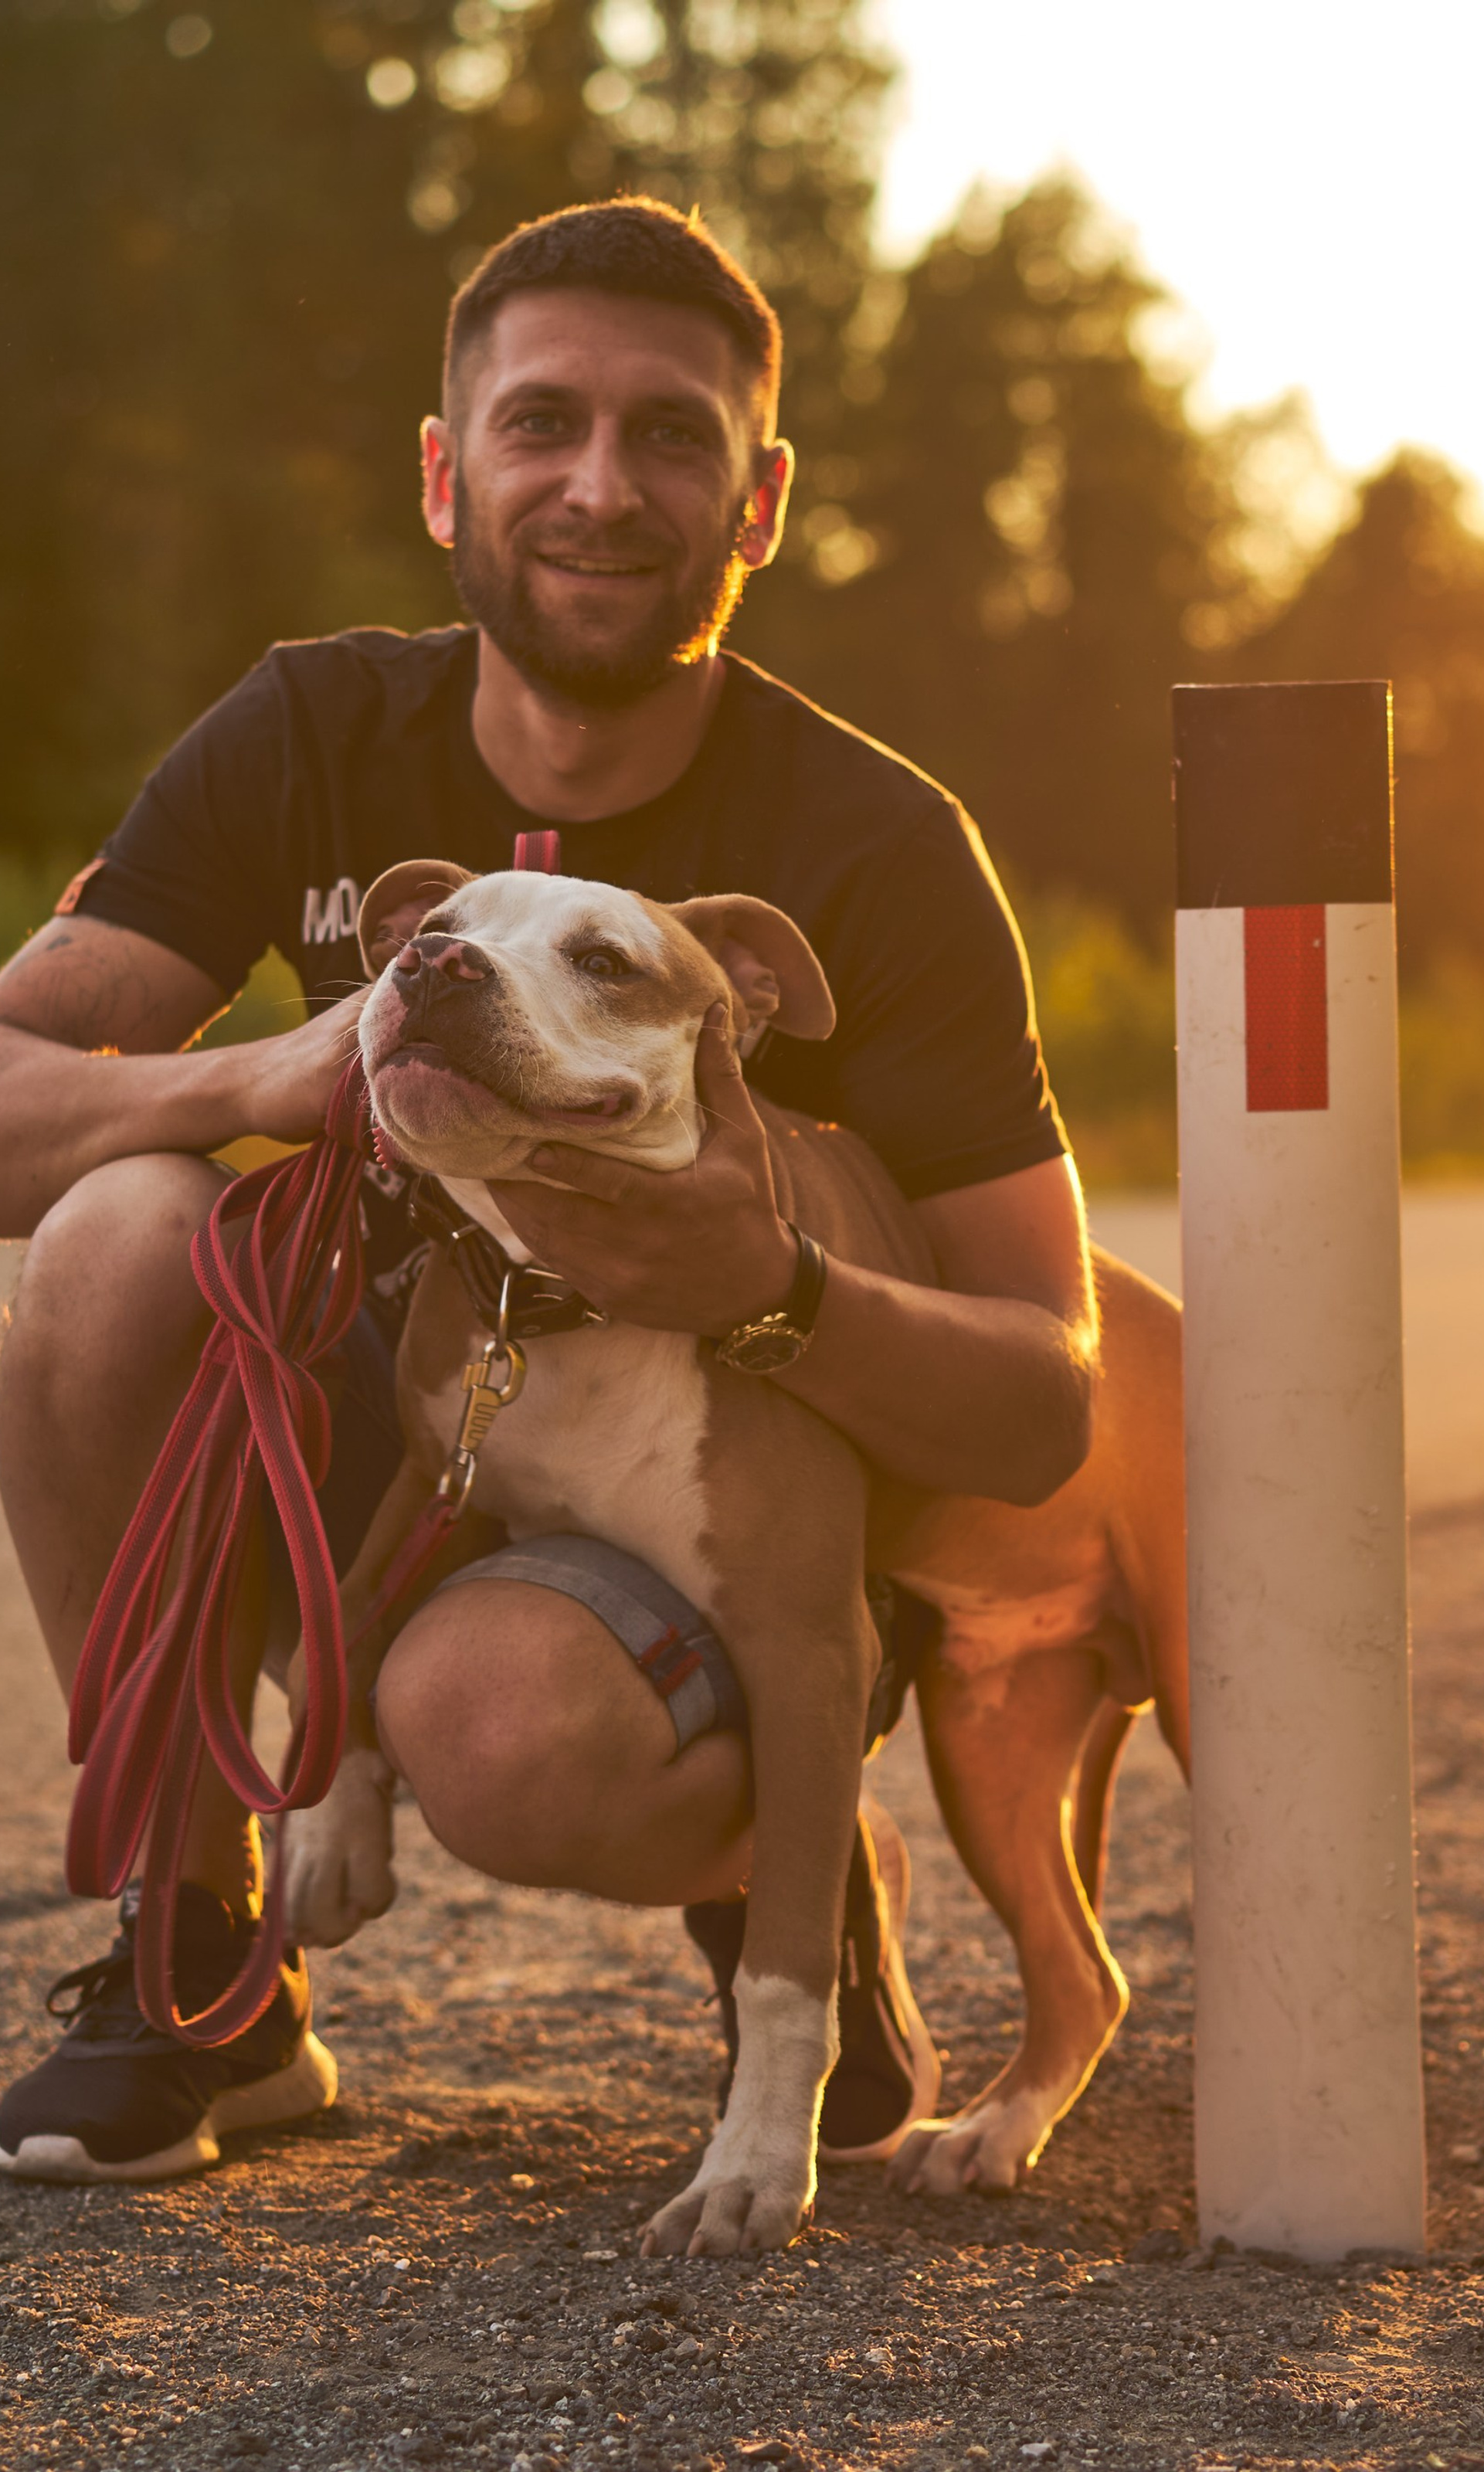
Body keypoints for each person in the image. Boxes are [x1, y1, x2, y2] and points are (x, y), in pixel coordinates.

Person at [0, 199, 1096, 2185]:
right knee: (106, 1242)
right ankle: (199, 1969)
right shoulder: (309, 731)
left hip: (727, 1510)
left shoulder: (875, 845)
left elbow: (1044, 1398)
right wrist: (271, 1070)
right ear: (446, 472)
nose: (600, 486)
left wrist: (770, 1286)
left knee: (499, 1730)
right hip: (421, 1420)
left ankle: (792, 1874)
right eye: (541, 424)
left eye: (671, 434)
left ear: (758, 503)